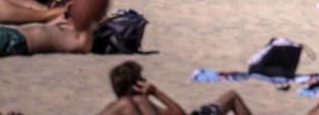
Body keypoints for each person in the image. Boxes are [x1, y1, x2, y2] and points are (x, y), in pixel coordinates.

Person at [97, 61, 252, 114]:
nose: (145, 80)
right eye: (142, 79)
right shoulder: (136, 102)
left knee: (231, 96)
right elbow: (179, 113)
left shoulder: (123, 105)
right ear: (136, 84)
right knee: (232, 96)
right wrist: (156, 92)